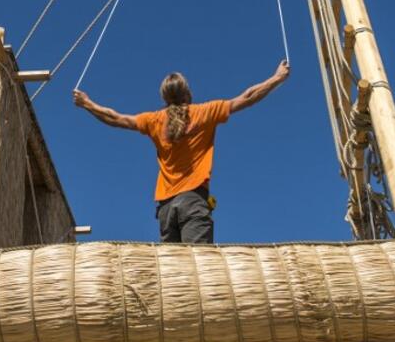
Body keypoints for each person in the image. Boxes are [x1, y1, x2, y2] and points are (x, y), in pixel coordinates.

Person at [72, 61, 290, 243]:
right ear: (188, 93)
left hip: (166, 210)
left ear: (165, 98)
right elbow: (247, 97)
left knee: (174, 274)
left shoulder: (154, 120)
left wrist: (87, 103)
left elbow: (115, 118)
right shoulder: (203, 112)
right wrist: (277, 78)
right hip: (193, 202)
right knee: (198, 269)